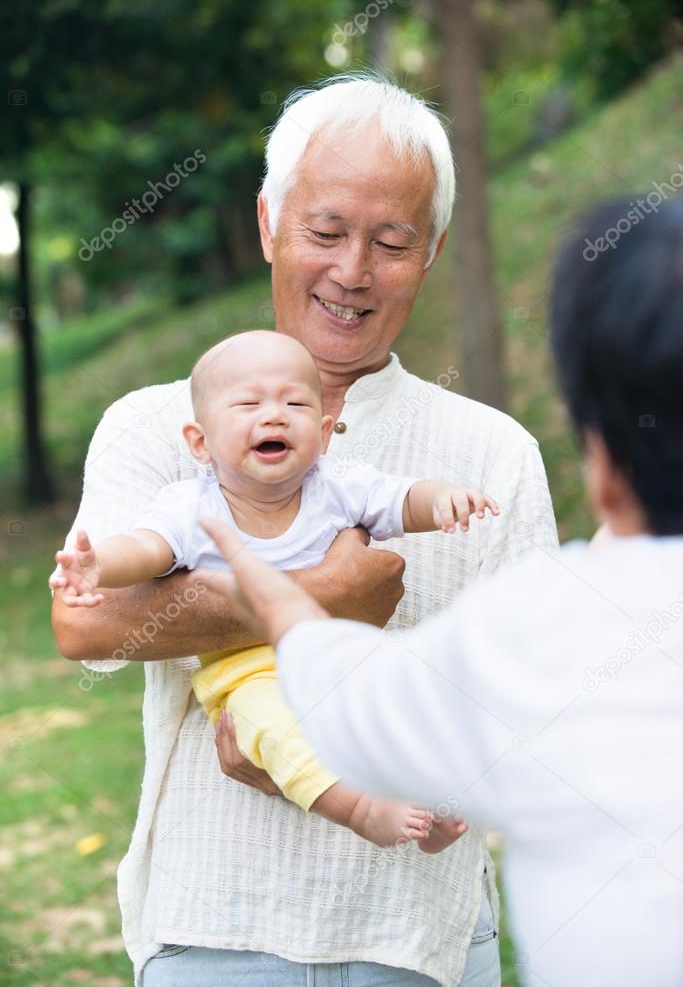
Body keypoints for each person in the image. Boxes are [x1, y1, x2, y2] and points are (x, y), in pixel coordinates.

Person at [53, 75, 557, 987]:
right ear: (266, 223)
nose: (353, 270)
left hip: (422, 940)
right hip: (215, 927)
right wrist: (330, 595)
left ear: (432, 249)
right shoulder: (158, 426)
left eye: (392, 241)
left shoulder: (491, 455)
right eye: (324, 231)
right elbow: (85, 623)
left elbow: (537, 704)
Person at [199, 196, 683, 987]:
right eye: (326, 232)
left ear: (599, 459)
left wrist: (273, 585)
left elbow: (343, 699)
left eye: (392, 241)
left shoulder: (539, 634)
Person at [51, 328, 498, 849]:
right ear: (200, 441)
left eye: (295, 403)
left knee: (399, 699)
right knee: (276, 727)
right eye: (248, 403)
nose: (275, 415)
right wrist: (97, 565)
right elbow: (147, 549)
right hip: (246, 672)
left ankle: (433, 801)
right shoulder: (191, 505)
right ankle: (363, 810)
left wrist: (443, 499)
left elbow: (400, 500)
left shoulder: (337, 486)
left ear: (324, 431)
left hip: (339, 655)